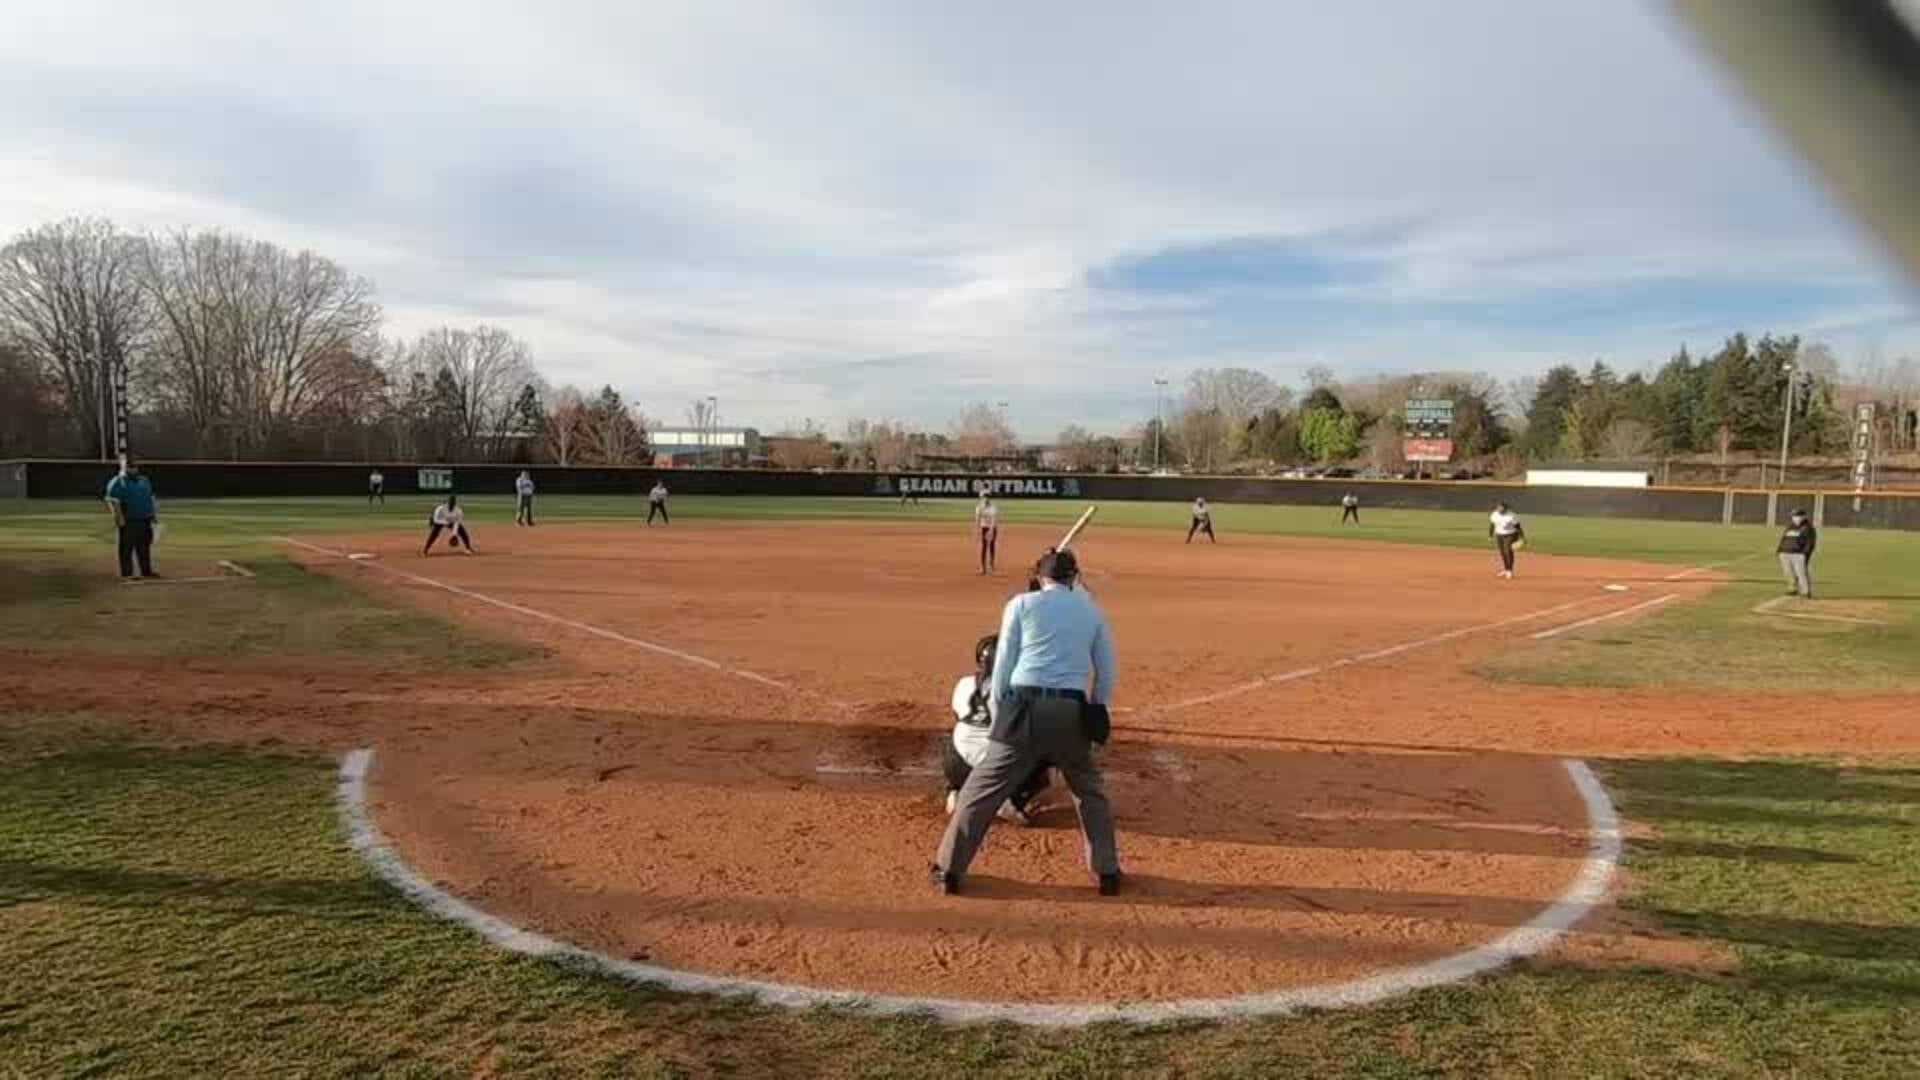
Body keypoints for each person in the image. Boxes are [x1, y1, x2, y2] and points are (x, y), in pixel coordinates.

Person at [933, 548, 1121, 897]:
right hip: (1069, 710)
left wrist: (1004, 707)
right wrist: (1095, 707)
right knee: (1089, 792)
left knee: (979, 792)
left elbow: (1004, 663)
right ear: (1074, 578)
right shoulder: (1092, 611)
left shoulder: (1020, 604)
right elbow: (1107, 672)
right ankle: (1107, 873)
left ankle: (948, 870)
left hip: (1022, 705)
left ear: (1040, 577)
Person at [942, 634, 1052, 825]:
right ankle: (1012, 801)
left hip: (956, 765)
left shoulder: (964, 683)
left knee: (955, 736)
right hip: (994, 768)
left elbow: (959, 716)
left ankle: (957, 790)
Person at [104, 457, 159, 580]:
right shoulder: (118, 482)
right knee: (126, 547)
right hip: (129, 520)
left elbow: (151, 498)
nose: (134, 469)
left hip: (145, 519)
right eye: (130, 467)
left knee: (144, 547)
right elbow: (113, 501)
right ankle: (127, 573)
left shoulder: (144, 481)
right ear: (125, 468)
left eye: (135, 467)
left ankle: (146, 571)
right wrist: (119, 518)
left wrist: (154, 515)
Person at [1777, 508, 1817, 598]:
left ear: (1803, 517)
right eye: (1794, 516)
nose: (1795, 518)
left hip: (1798, 553)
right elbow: (1784, 539)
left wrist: (1805, 554)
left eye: (1798, 516)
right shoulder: (1789, 527)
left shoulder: (1808, 528)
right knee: (1788, 572)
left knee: (1801, 573)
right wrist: (1779, 550)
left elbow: (1810, 543)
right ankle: (1792, 588)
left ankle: (1805, 591)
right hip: (1785, 552)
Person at [1489, 501, 1525, 579]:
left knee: (1508, 551)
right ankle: (1506, 569)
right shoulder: (1494, 514)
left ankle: (1509, 571)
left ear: (1506, 509)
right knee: (1502, 552)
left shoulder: (1511, 516)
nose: (1499, 509)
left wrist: (1522, 537)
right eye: (1498, 507)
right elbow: (1492, 525)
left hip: (1511, 534)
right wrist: (1490, 535)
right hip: (1499, 535)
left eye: (1501, 508)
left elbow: (1518, 527)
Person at [974, 491, 1000, 574]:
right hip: (983, 527)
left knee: (992, 545)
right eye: (985, 496)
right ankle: (983, 567)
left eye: (988, 496)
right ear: (981, 498)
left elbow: (993, 520)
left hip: (992, 527)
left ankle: (991, 565)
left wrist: (991, 530)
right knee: (984, 546)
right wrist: (977, 530)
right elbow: (977, 519)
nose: (986, 498)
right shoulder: (979, 508)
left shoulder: (993, 507)